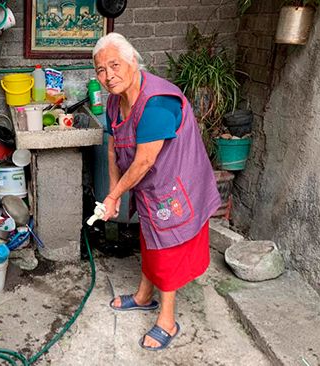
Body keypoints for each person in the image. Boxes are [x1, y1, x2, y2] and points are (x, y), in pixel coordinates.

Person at [92, 33, 221, 351]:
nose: (109, 76)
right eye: (101, 70)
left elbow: (145, 160)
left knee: (168, 251)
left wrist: (114, 196)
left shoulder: (158, 103)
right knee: (149, 241)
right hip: (150, 187)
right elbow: (112, 149)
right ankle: (143, 297)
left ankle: (168, 320)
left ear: (132, 60)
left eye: (115, 65)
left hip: (177, 187)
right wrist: (114, 192)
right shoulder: (114, 100)